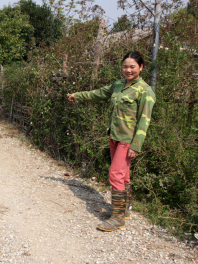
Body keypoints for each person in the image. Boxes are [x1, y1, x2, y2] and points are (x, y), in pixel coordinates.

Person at [67, 51, 156, 232]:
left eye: (132, 66)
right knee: (123, 175)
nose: (128, 70)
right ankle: (123, 211)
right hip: (115, 136)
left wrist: (136, 145)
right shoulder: (118, 85)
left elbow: (144, 120)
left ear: (141, 67)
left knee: (115, 175)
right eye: (125, 66)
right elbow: (98, 94)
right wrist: (78, 95)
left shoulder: (145, 90)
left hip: (127, 140)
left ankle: (117, 219)